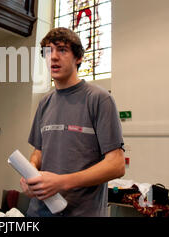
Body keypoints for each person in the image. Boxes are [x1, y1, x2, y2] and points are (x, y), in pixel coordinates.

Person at [20, 27, 125, 217]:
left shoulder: (99, 99)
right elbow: (39, 152)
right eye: (47, 52)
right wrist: (31, 173)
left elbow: (116, 165)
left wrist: (61, 182)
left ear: (78, 58)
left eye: (61, 50)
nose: (53, 57)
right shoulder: (45, 103)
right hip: (39, 211)